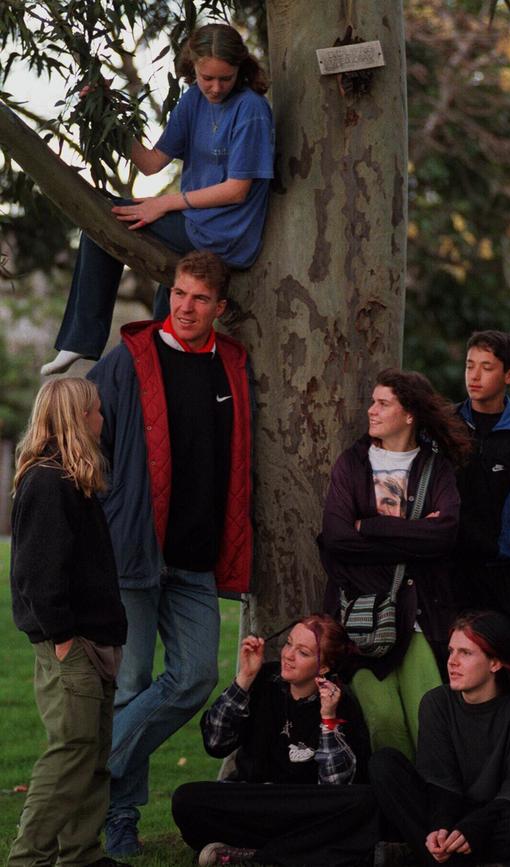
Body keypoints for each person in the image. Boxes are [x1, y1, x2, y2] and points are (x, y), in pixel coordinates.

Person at [87, 249, 253, 859]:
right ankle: (120, 820)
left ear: (220, 308)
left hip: (196, 558)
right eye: (179, 294)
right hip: (132, 553)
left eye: (200, 299)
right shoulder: (128, 361)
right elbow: (82, 440)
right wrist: (108, 515)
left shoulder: (231, 365)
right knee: (130, 686)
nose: (186, 307)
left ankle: (91, 769)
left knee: (196, 677)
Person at [42, 22, 274, 376]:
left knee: (105, 218)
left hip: (228, 235)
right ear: (192, 68)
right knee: (164, 327)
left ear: (240, 70)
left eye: (224, 79)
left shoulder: (252, 109)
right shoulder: (193, 100)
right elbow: (151, 163)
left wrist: (163, 203)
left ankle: (81, 338)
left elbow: (236, 189)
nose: (214, 87)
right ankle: (140, 372)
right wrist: (105, 113)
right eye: (205, 77)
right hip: (195, 225)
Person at [319, 368, 472, 761]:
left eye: (383, 403)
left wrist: (368, 526)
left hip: (420, 616)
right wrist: (413, 535)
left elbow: (445, 537)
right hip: (360, 621)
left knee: (429, 721)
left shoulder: (436, 469)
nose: (371, 410)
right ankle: (395, 811)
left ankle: (435, 812)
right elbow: (336, 539)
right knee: (384, 723)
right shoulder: (350, 464)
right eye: (373, 401)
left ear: (409, 415)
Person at [8, 379, 128, 867]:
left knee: (94, 756)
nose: (103, 419)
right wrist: (61, 640)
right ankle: (27, 858)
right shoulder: (47, 483)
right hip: (70, 643)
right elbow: (38, 578)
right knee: (70, 753)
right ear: (80, 418)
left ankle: (81, 854)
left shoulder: (73, 481)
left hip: (95, 638)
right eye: (97, 411)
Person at [171, 615, 378, 867]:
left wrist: (328, 719)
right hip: (255, 798)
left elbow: (334, 788)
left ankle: (255, 856)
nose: (288, 655)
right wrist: (245, 677)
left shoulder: (339, 702)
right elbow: (216, 742)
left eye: (302, 652)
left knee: (364, 801)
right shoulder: (264, 679)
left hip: (303, 809)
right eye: (288, 644)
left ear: (323, 668)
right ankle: (297, 853)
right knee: (185, 799)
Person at [368, 611, 510, 867]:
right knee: (384, 764)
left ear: (495, 663)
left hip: (497, 817)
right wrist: (441, 828)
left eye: (465, 653)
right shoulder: (437, 703)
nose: (452, 661)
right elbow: (441, 782)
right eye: (451, 651)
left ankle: (424, 857)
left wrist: (474, 828)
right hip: (449, 811)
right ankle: (444, 855)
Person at [453, 330, 510, 621]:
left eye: (487, 367)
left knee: (509, 661)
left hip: (500, 574)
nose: (474, 376)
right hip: (446, 571)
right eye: (470, 365)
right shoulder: (444, 426)